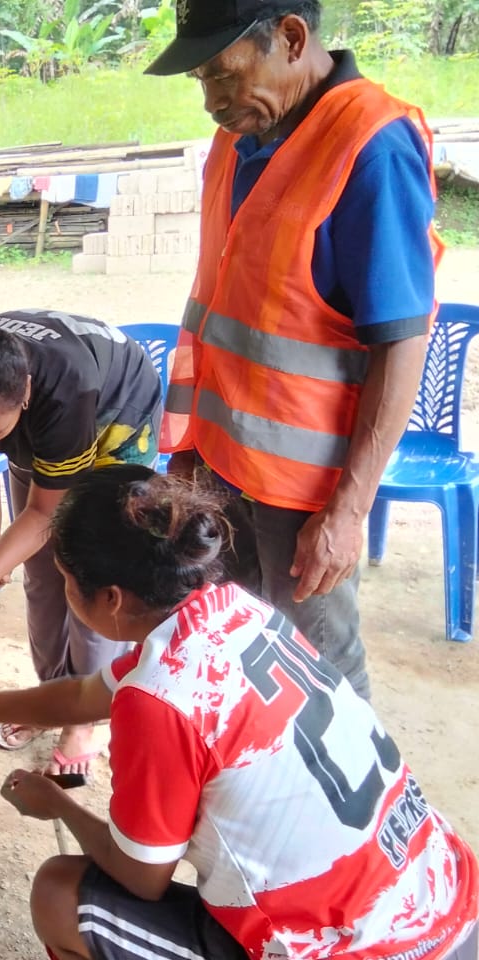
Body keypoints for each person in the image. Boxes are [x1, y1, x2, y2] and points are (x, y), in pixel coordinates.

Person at [0, 465, 477, 960]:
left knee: (58, 893)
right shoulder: (231, 611)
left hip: (362, 947)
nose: (65, 589)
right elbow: (85, 697)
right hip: (445, 901)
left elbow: (141, 876)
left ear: (111, 598)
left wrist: (53, 802)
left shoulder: (160, 701)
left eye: (67, 579)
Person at [147, 0, 442, 699]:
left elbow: (402, 341)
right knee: (237, 645)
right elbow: (221, 311)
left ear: (291, 37)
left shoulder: (371, 144)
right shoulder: (240, 136)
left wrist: (347, 510)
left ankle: (355, 810)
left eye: (225, 75)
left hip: (305, 493)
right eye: (201, 83)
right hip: (223, 469)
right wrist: (189, 459)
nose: (213, 101)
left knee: (323, 676)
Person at [0, 298, 162, 775]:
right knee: (39, 574)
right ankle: (54, 700)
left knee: (90, 573)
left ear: (25, 392)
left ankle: (82, 718)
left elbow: (44, 511)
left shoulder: (66, 389)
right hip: (44, 423)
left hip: (115, 410)